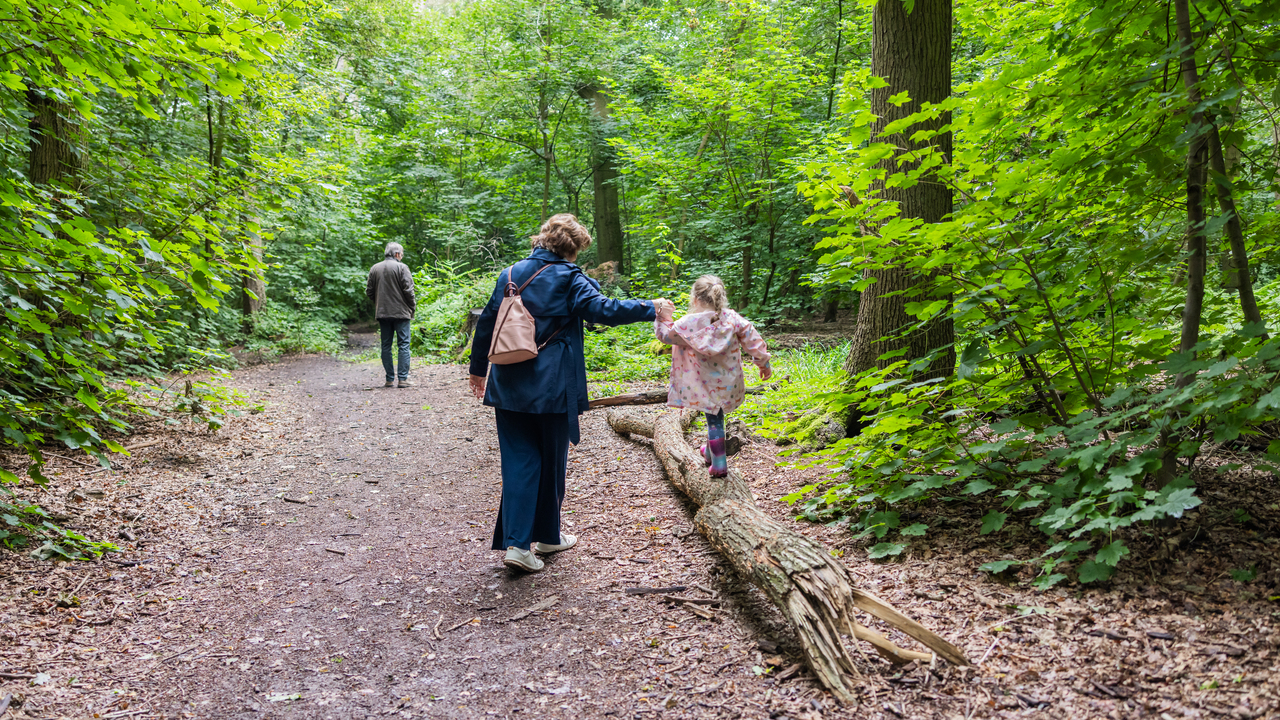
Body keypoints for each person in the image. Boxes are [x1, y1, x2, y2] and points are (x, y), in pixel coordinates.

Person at [469, 214, 673, 573]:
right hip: (552, 386)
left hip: (509, 383)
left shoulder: (511, 273)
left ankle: (543, 538)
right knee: (551, 460)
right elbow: (603, 309)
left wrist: (477, 371)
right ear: (573, 248)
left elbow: (487, 321)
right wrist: (651, 306)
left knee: (519, 461)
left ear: (543, 239)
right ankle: (522, 545)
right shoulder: (569, 277)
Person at [654, 275, 771, 477]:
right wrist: (763, 363)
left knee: (714, 421)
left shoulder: (687, 324)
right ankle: (709, 452)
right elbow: (753, 339)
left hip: (701, 384)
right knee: (716, 416)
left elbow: (665, 336)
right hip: (727, 382)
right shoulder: (732, 319)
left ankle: (719, 464)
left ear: (695, 299)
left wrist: (662, 317)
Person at [366, 242, 416, 388]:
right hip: (401, 313)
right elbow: (409, 291)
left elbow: (369, 291)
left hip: (383, 313)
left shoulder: (375, 268)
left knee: (386, 345)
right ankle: (402, 379)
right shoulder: (402, 267)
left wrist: (379, 303)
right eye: (402, 253)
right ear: (397, 254)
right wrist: (412, 306)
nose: (402, 256)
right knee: (404, 345)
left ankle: (389, 379)